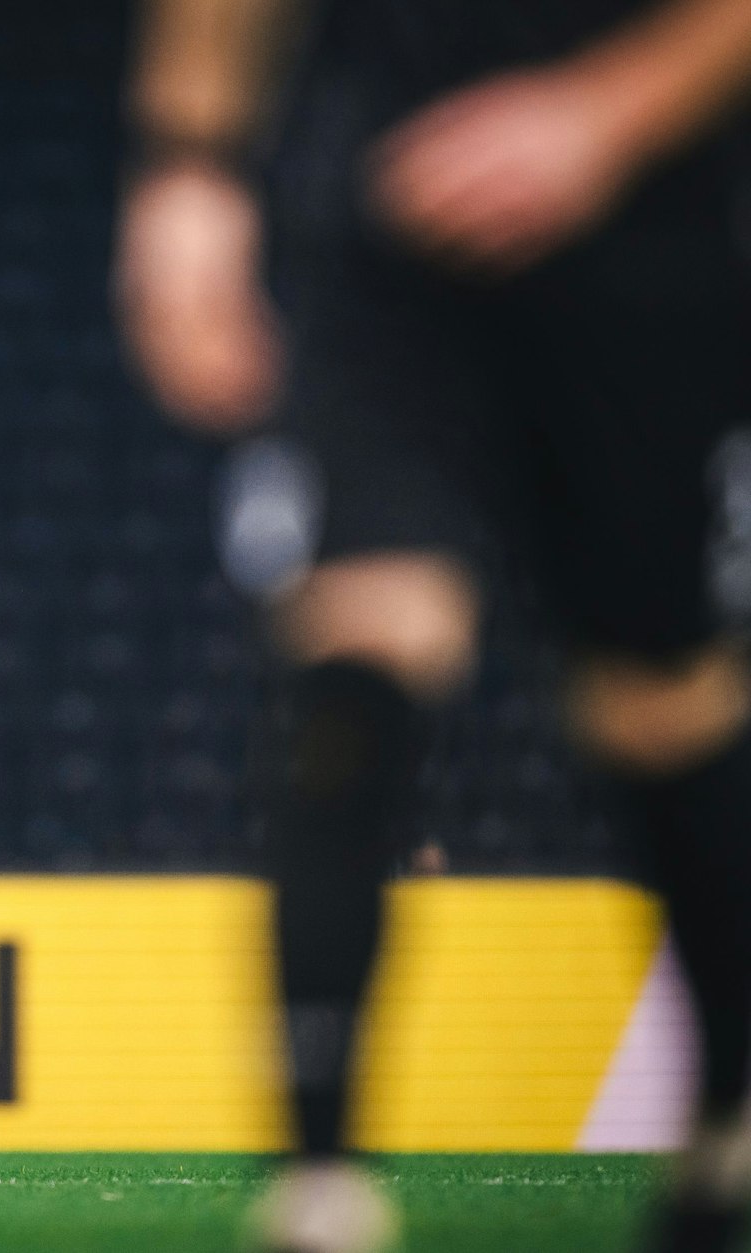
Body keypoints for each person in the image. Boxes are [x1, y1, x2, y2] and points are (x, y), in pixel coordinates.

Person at [116, 1, 751, 1249]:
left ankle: (727, 1133)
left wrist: (598, 116)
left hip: (650, 248)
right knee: (357, 630)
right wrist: (186, 169)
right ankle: (316, 1183)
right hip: (388, 226)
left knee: (652, 700)